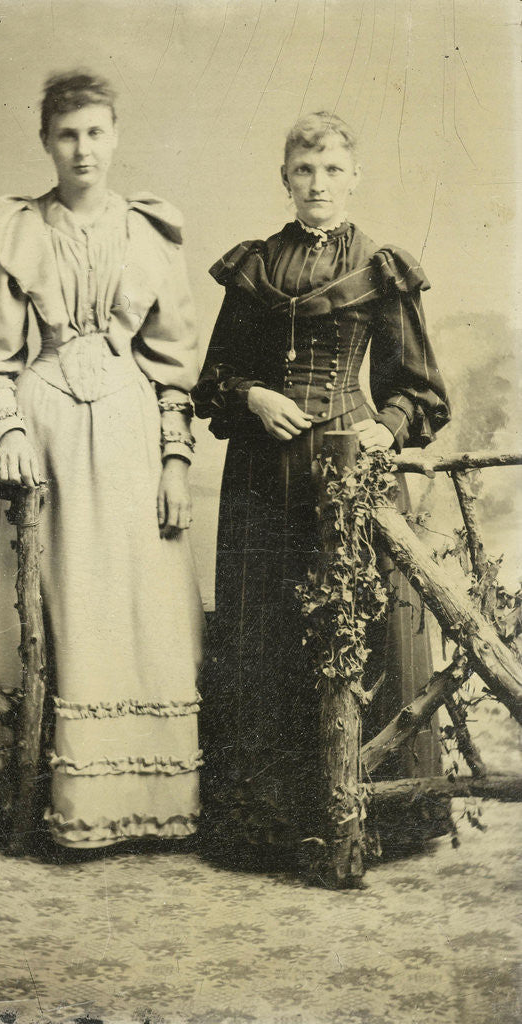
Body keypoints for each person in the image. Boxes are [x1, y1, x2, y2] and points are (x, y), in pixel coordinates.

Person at [0, 71, 204, 851]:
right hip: (45, 439)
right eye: (67, 134)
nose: (83, 148)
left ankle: (136, 805)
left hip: (131, 442)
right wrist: (10, 433)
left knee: (134, 613)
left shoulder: (150, 235)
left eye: (96, 132)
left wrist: (173, 463)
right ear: (46, 142)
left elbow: (173, 364)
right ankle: (26, 796)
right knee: (38, 610)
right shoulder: (18, 233)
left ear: (116, 136)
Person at [193, 111, 451, 865]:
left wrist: (385, 430)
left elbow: (417, 389)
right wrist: (253, 396)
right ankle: (267, 825)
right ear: (284, 178)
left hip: (347, 463)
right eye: (305, 170)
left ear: (354, 178)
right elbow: (214, 375)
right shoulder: (254, 265)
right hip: (260, 471)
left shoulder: (380, 266)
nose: (319, 184)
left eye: (333, 169)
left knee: (361, 627)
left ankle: (379, 812)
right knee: (263, 626)